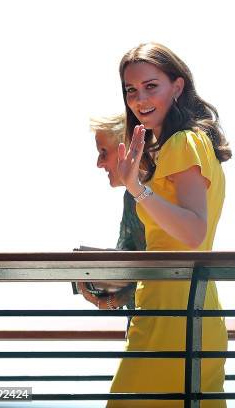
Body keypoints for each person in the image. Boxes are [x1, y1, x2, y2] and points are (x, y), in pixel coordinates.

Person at [107, 42, 231, 408]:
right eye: (131, 90)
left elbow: (193, 232)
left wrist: (137, 188)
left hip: (175, 315)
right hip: (186, 307)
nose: (139, 99)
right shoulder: (190, 142)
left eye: (151, 86)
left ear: (177, 86)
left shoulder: (182, 143)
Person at [76, 114, 145, 325]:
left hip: (166, 319)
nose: (99, 163)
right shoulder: (131, 197)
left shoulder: (152, 194)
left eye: (103, 152)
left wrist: (110, 301)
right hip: (143, 321)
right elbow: (130, 260)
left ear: (128, 147)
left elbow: (162, 271)